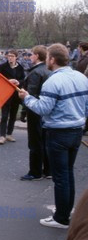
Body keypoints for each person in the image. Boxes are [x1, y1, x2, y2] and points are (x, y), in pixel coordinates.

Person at [18, 43, 88, 229]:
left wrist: (27, 98)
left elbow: (43, 108)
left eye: (48, 57)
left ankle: (61, 218)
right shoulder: (81, 77)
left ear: (52, 60)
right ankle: (66, 210)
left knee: (61, 177)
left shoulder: (53, 81)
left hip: (58, 133)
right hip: (76, 131)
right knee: (68, 173)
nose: (46, 60)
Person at [18, 46, 52, 181]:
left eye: (32, 54)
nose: (30, 56)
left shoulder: (35, 73)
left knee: (35, 142)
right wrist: (20, 82)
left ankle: (35, 172)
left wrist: (24, 112)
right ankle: (48, 170)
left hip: (35, 111)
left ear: (37, 56)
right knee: (45, 141)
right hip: (46, 111)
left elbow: (30, 95)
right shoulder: (47, 70)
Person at [0, 50, 25, 144]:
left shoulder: (20, 67)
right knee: (4, 115)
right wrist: (9, 81)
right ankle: (2, 136)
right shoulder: (2, 67)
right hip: (5, 94)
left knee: (13, 115)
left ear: (16, 57)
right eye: (8, 56)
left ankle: (9, 134)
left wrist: (18, 82)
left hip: (15, 95)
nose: (10, 58)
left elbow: (23, 79)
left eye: (12, 56)